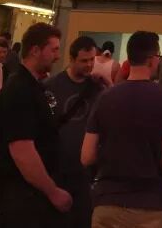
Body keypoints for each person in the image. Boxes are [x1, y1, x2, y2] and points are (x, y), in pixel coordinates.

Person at [81, 30, 162, 228]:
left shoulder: (105, 97)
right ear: (151, 60)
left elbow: (86, 156)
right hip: (147, 205)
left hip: (106, 202)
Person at [0, 22, 72, 227]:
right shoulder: (20, 89)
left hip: (26, 196)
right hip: (18, 198)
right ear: (35, 50)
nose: (57, 56)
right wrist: (53, 192)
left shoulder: (32, 86)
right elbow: (22, 150)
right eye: (53, 50)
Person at [44, 35, 104, 228]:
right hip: (57, 169)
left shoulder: (97, 88)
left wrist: (109, 83)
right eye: (84, 61)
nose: (89, 65)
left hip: (85, 172)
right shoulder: (51, 86)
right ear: (71, 59)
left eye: (92, 60)